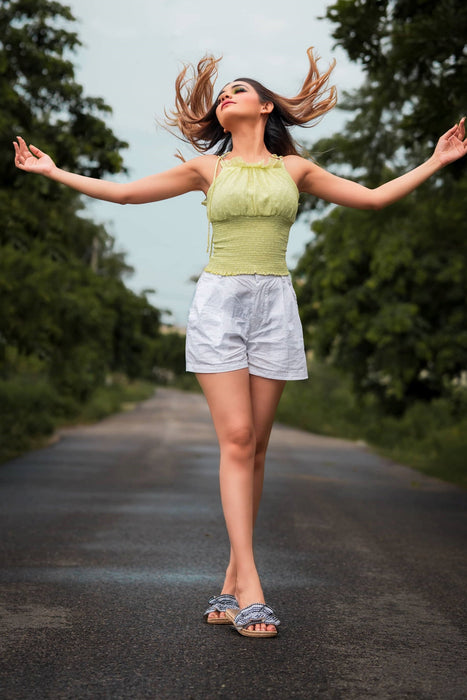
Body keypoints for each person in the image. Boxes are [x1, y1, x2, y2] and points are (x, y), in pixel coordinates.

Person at [13, 48, 467, 639]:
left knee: (255, 449)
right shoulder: (209, 171)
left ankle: (229, 585)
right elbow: (125, 194)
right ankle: (252, 586)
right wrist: (52, 172)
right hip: (220, 304)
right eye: (220, 93)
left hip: (276, 306)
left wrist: (436, 160)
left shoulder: (295, 171)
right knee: (236, 437)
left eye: (237, 90)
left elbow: (375, 198)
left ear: (265, 106)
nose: (224, 96)